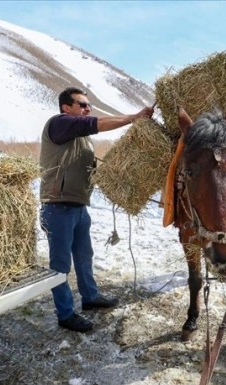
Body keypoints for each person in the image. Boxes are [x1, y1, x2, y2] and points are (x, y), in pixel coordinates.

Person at [39, 87, 154, 332]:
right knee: (60, 265)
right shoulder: (60, 124)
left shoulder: (81, 138)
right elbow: (98, 123)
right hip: (58, 208)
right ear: (66, 108)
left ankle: (90, 297)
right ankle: (65, 314)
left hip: (79, 207)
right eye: (81, 104)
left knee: (84, 256)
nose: (87, 108)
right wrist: (134, 118)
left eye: (88, 105)